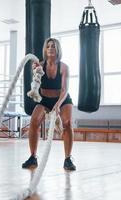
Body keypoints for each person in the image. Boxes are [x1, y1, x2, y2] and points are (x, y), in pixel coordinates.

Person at [22, 38, 76, 171]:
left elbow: (64, 90)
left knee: (67, 122)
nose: (50, 48)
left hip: (62, 99)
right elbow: (35, 83)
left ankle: (68, 158)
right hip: (45, 99)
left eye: (53, 46)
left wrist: (57, 105)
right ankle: (33, 157)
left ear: (58, 49)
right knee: (34, 122)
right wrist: (35, 72)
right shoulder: (40, 65)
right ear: (45, 50)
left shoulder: (64, 67)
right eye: (48, 46)